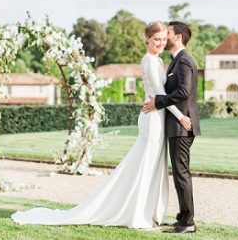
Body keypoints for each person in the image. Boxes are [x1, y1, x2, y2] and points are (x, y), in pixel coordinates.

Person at [11, 21, 189, 229]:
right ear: (147, 39)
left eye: (162, 39)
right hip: (152, 120)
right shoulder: (150, 61)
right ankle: (136, 214)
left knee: (153, 166)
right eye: (155, 39)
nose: (159, 43)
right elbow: (160, 94)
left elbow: (159, 94)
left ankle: (148, 212)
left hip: (158, 117)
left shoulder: (158, 61)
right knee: (145, 165)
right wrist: (180, 117)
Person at [143, 21, 200, 234]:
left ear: (177, 36)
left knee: (181, 173)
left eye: (168, 33)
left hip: (181, 124)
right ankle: (183, 217)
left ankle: (188, 222)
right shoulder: (175, 61)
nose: (164, 37)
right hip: (176, 124)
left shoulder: (184, 61)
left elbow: (184, 92)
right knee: (179, 172)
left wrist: (158, 102)